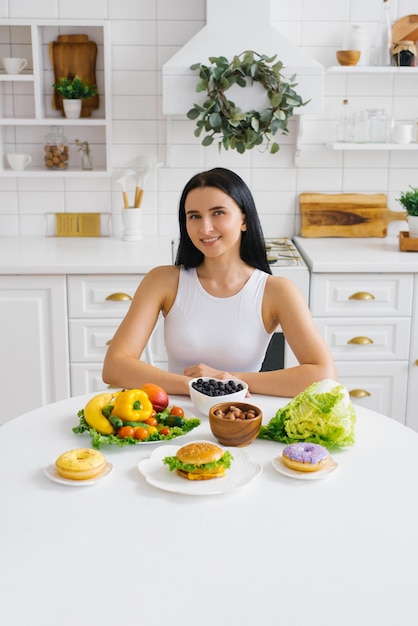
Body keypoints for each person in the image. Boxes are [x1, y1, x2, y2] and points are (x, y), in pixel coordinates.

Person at [102, 167, 337, 397]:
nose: (205, 228)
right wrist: (197, 386)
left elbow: (324, 376)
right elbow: (114, 367)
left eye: (218, 213)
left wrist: (231, 380)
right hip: (175, 419)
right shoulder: (162, 281)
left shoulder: (277, 291)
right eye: (194, 216)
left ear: (244, 219)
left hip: (240, 420)